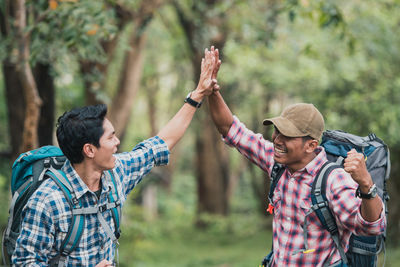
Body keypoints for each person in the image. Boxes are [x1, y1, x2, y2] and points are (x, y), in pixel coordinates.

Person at [12, 47, 218, 267]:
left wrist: (197, 94)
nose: (117, 142)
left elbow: (162, 142)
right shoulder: (47, 201)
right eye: (111, 138)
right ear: (89, 150)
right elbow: (25, 263)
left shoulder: (116, 173)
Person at [207, 49, 386, 266]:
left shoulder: (333, 180)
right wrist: (212, 91)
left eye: (288, 135)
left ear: (311, 145)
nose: (277, 140)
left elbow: (371, 227)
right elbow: (230, 129)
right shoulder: (276, 162)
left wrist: (366, 184)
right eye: (277, 131)